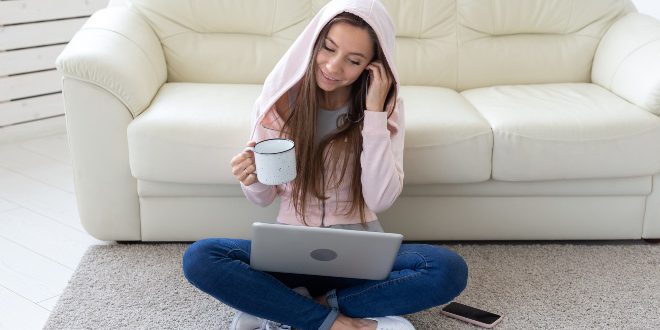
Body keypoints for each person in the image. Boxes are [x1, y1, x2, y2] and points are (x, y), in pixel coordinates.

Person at [182, 0, 468, 329]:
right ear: (314, 42)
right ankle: (335, 321)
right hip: (289, 255)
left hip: (359, 260)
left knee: (446, 269)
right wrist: (252, 178)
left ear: (372, 67)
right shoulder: (279, 101)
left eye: (354, 60)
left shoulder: (386, 109)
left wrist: (374, 115)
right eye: (328, 48)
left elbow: (380, 199)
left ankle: (298, 309)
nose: (333, 66)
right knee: (201, 257)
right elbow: (263, 197)